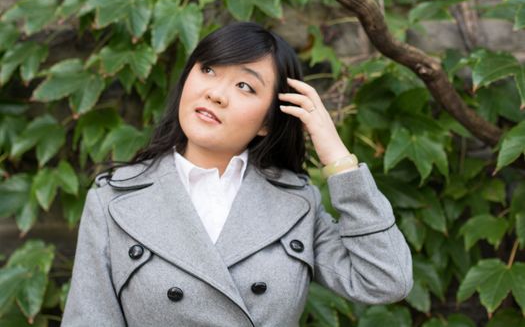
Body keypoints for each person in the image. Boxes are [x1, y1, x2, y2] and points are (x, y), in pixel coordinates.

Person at [62, 22, 413, 327]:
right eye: (209, 70)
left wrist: (337, 158)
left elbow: (386, 279)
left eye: (245, 86)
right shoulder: (114, 200)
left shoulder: (296, 204)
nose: (215, 93)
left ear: (267, 122)